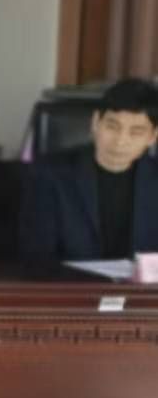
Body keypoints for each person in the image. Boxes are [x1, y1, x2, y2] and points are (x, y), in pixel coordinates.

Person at [20, 78, 158, 264]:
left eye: (136, 132)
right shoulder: (50, 175)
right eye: (112, 126)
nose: (120, 141)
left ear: (153, 137)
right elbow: (37, 256)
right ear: (95, 123)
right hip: (70, 281)